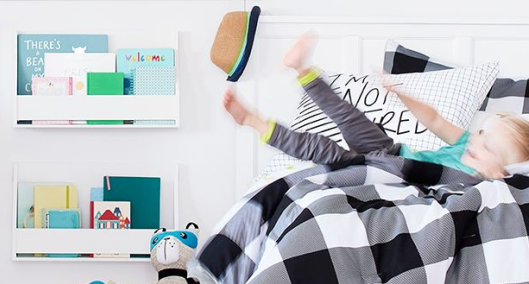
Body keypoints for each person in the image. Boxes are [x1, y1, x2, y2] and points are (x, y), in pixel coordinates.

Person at [223, 33, 529, 179]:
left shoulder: (484, 184)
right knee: (348, 116)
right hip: (393, 153)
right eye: (481, 134)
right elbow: (434, 120)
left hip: (391, 172)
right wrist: (401, 93)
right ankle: (302, 70)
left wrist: (493, 175)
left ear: (503, 169)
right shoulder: (465, 144)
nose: (476, 143)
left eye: (488, 149)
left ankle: (253, 121)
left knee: (323, 150)